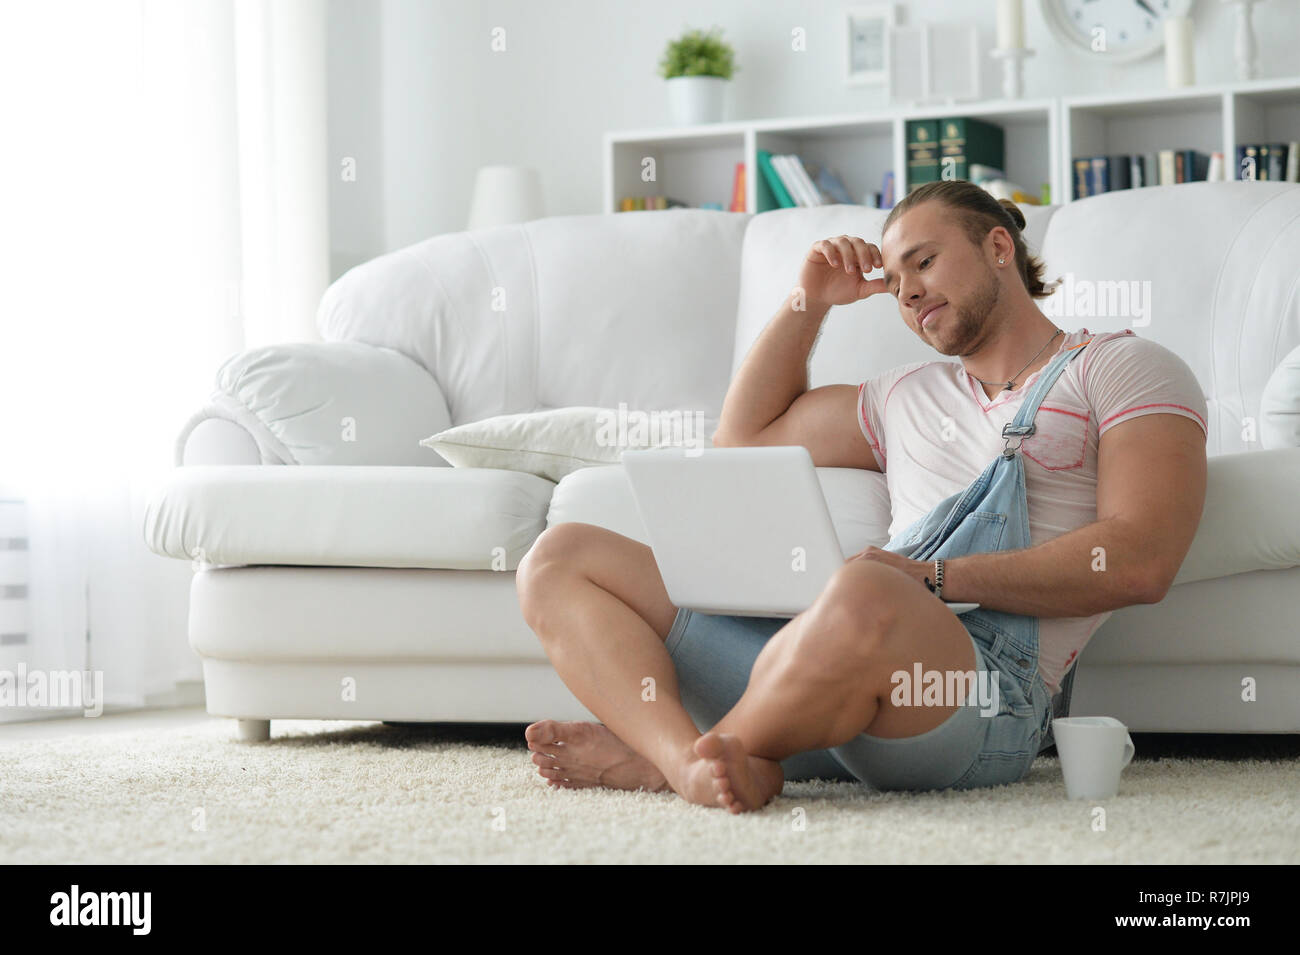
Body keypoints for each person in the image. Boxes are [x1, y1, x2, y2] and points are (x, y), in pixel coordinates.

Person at [515, 179, 1208, 813]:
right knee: (561, 554)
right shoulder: (903, 394)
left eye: (924, 261)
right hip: (824, 676)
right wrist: (808, 301)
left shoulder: (1122, 367)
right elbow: (743, 436)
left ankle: (683, 754)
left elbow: (1142, 559)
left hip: (972, 696)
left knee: (868, 588)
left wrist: (932, 579)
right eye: (894, 275)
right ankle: (686, 761)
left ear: (999, 247)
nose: (906, 291)